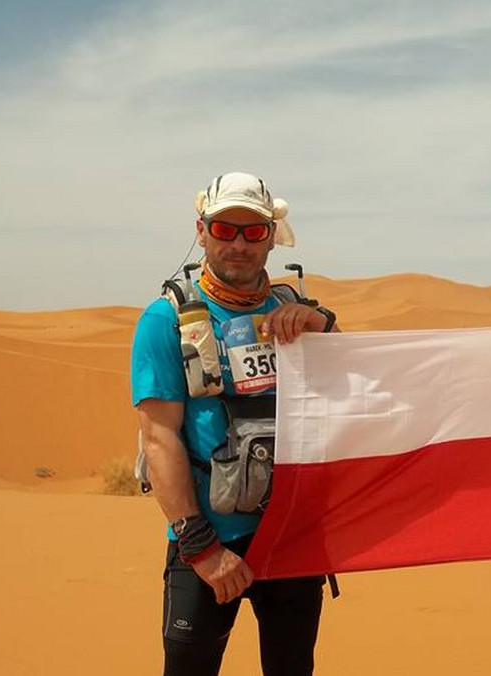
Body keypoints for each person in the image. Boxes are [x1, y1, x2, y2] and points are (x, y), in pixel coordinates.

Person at [131, 172, 338, 676]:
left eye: (253, 231)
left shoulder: (296, 311)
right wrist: (200, 547)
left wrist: (325, 323)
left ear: (271, 235)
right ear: (201, 231)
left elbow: (351, 393)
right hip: (209, 542)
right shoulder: (165, 320)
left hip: (292, 540)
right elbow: (158, 437)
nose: (240, 245)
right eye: (225, 230)